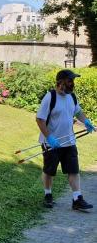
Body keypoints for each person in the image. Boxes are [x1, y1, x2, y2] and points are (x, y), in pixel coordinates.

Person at [36, 69, 95, 211]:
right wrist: (49, 137)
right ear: (60, 82)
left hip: (69, 141)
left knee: (73, 170)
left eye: (72, 81)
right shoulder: (50, 97)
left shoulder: (72, 97)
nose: (72, 84)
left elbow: (78, 111)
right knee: (49, 171)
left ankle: (77, 199)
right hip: (52, 143)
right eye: (70, 81)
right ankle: (48, 195)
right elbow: (40, 119)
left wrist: (86, 121)